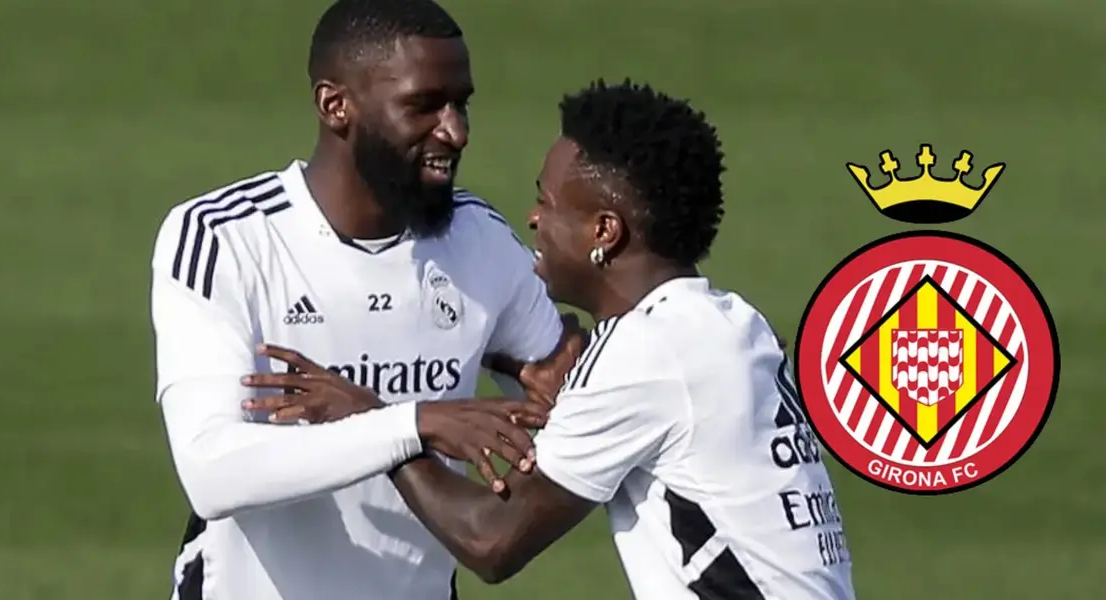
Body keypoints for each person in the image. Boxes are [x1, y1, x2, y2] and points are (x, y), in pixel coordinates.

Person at [254, 79, 859, 599]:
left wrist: (379, 422)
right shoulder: (729, 324)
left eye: (547, 201)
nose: (534, 219)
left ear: (604, 231)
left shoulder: (647, 352)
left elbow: (491, 540)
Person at [147, 1, 582, 599]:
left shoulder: (478, 239)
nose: (455, 131)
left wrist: (580, 382)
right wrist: (412, 423)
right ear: (336, 106)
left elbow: (569, 406)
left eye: (461, 104)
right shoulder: (225, 238)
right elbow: (212, 472)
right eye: (424, 105)